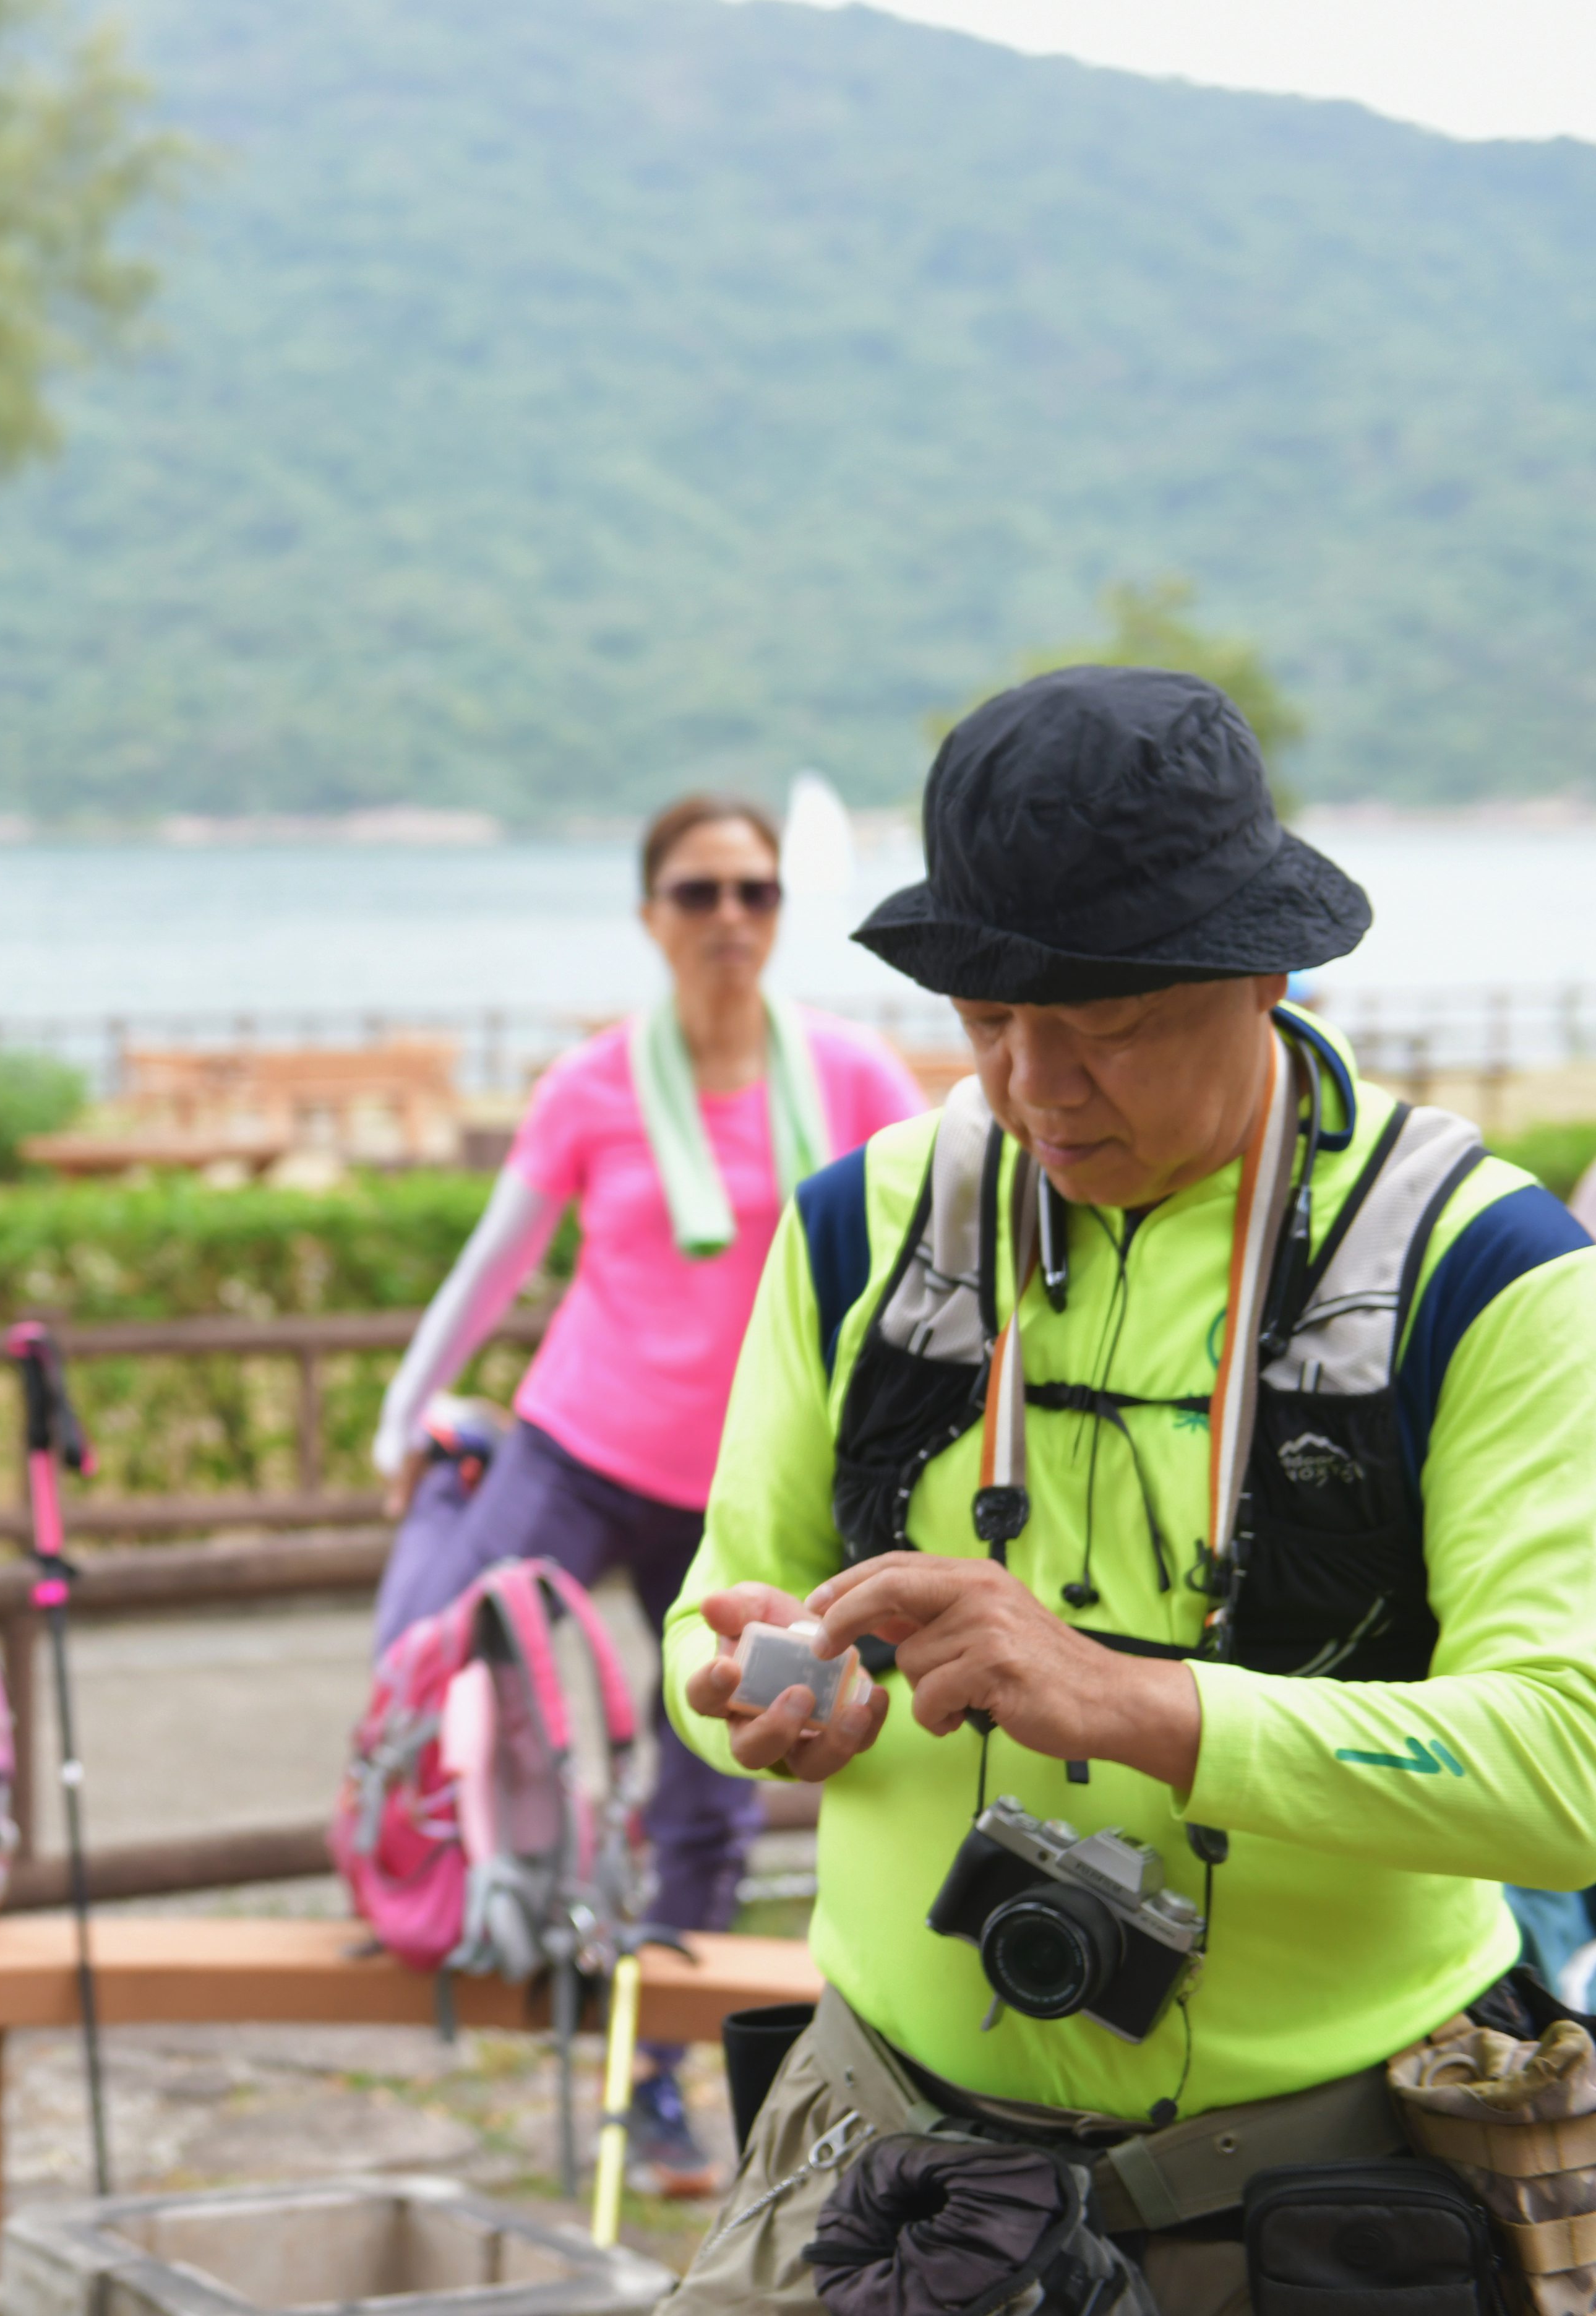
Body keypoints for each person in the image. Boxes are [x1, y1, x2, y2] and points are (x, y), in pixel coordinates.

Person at [660, 668, 1596, 2316]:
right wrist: (754, 1688)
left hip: (1325, 2197)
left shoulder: (1485, 1273)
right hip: (881, 2152)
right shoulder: (859, 1226)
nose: (1035, 1087)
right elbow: (711, 1613)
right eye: (986, 1020)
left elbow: (1569, 1770)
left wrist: (1136, 1702)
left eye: (1107, 1028)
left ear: (1267, 974)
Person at [369, 791, 927, 2194]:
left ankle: (653, 2083)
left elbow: (946, 1251)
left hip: (754, 1489)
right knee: (438, 1650)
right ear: (648, 914)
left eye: (754, 890)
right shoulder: (590, 1084)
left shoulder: (853, 1075)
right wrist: (399, 1414)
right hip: (576, 1445)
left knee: (722, 1767)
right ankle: (442, 1900)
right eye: (697, 891)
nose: (728, 917)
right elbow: (494, 1265)